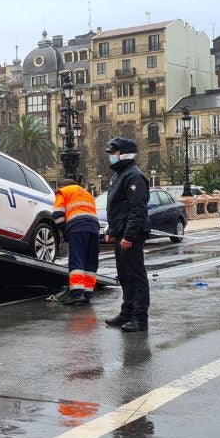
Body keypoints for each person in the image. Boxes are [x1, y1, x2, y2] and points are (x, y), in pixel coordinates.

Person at [102, 137, 150, 332]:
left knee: (136, 276)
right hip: (121, 232)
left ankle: (140, 318)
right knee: (124, 275)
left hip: (131, 235)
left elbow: (137, 209)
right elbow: (118, 208)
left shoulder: (134, 176)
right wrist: (112, 231)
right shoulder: (120, 175)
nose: (112, 157)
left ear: (124, 154)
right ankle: (127, 312)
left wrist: (129, 236)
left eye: (114, 153)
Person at [51, 177, 99, 306]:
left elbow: (57, 214)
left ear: (63, 186)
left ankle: (77, 294)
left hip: (77, 227)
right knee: (90, 260)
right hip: (94, 227)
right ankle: (87, 294)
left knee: (77, 259)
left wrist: (64, 230)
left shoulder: (63, 191)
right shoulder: (86, 193)